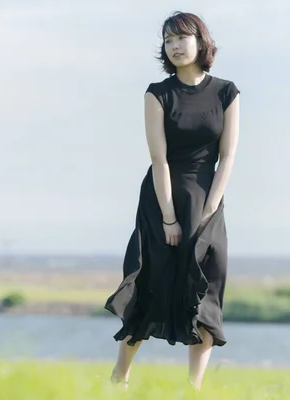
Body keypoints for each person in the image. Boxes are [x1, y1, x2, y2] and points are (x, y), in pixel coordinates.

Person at [104, 10, 240, 391]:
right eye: (168, 40)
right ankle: (120, 377)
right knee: (151, 283)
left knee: (206, 291)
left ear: (201, 41)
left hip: (208, 201)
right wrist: (168, 218)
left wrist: (211, 207)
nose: (175, 45)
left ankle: (192, 389)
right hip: (162, 200)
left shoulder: (227, 91)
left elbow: (227, 155)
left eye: (182, 37)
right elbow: (158, 158)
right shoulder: (158, 93)